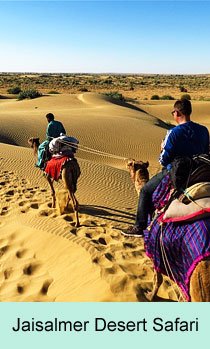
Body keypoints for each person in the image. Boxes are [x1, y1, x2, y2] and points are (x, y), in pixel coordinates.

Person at [122, 98, 210, 238]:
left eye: (173, 113)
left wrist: (162, 147)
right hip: (200, 171)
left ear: (176, 113)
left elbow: (164, 160)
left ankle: (139, 226)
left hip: (177, 172)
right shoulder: (203, 130)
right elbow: (206, 152)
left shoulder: (173, 132)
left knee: (145, 190)